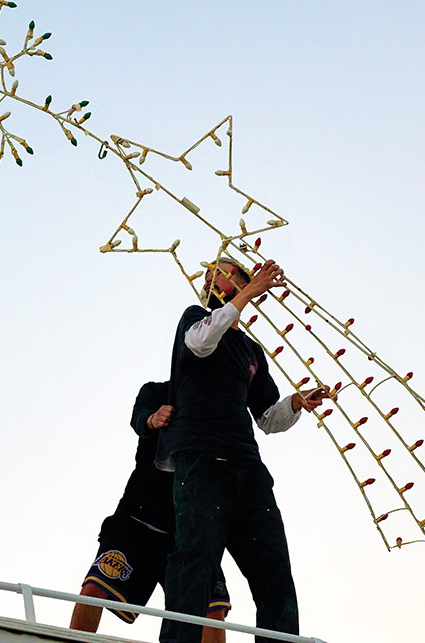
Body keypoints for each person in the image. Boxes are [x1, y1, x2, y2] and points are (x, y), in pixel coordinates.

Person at [157, 257, 329, 643]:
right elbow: (200, 344)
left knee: (274, 573)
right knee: (193, 565)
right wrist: (249, 292)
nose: (210, 277)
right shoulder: (195, 319)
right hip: (201, 463)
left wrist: (297, 403)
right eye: (208, 273)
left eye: (221, 270)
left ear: (240, 279)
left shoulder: (252, 351)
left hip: (248, 470)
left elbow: (267, 418)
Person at [71, 382, 230, 643]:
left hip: (188, 526)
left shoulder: (217, 400)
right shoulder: (157, 391)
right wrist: (152, 419)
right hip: (138, 518)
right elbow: (139, 418)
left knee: (213, 609)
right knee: (95, 587)